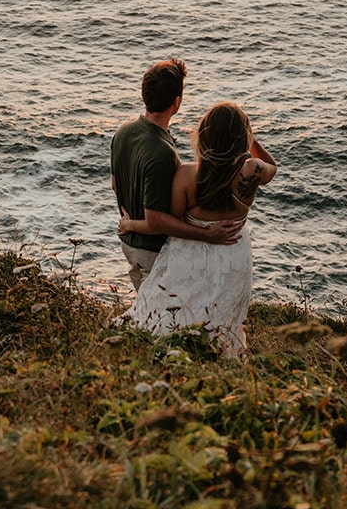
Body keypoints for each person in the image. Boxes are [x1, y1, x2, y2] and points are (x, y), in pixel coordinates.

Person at [118, 101, 277, 359]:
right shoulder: (252, 170)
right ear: (242, 137)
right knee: (223, 315)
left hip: (189, 251)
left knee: (177, 306)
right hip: (232, 252)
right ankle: (217, 357)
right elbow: (272, 166)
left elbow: (170, 219)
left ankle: (172, 353)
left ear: (205, 134)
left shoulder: (187, 175)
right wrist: (251, 140)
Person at [111, 59, 240, 294]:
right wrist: (207, 234)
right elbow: (156, 221)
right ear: (176, 102)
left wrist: (128, 220)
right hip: (152, 252)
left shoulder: (123, 131)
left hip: (129, 245)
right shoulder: (162, 153)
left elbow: (115, 183)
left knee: (147, 314)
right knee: (163, 322)